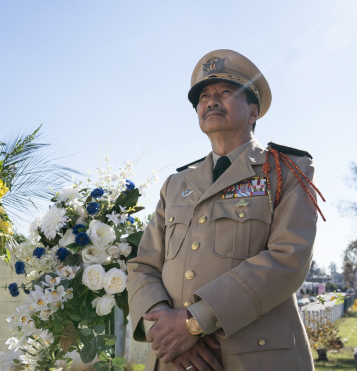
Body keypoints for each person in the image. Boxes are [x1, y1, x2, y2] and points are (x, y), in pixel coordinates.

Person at [126, 49, 320, 371]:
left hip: (253, 359)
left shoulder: (288, 170)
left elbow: (290, 257)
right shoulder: (176, 184)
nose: (211, 101)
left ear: (253, 111)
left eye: (225, 92)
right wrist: (164, 333)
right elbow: (142, 266)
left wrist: (192, 322)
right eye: (203, 97)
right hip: (174, 360)